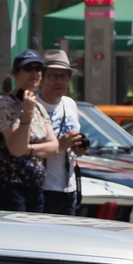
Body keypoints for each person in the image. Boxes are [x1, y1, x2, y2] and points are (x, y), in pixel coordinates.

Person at [0, 51, 73, 214]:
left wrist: (30, 150)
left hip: (35, 186)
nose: (35, 73)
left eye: (38, 69)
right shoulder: (6, 105)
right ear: (16, 74)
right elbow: (16, 149)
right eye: (28, 68)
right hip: (9, 187)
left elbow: (54, 147)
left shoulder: (38, 106)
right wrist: (26, 115)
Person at [38, 49, 89, 217]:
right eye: (53, 76)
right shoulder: (32, 106)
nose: (59, 82)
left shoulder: (70, 104)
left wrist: (79, 148)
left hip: (69, 189)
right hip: (41, 189)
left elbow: (73, 144)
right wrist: (60, 145)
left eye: (64, 77)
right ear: (41, 79)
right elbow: (24, 149)